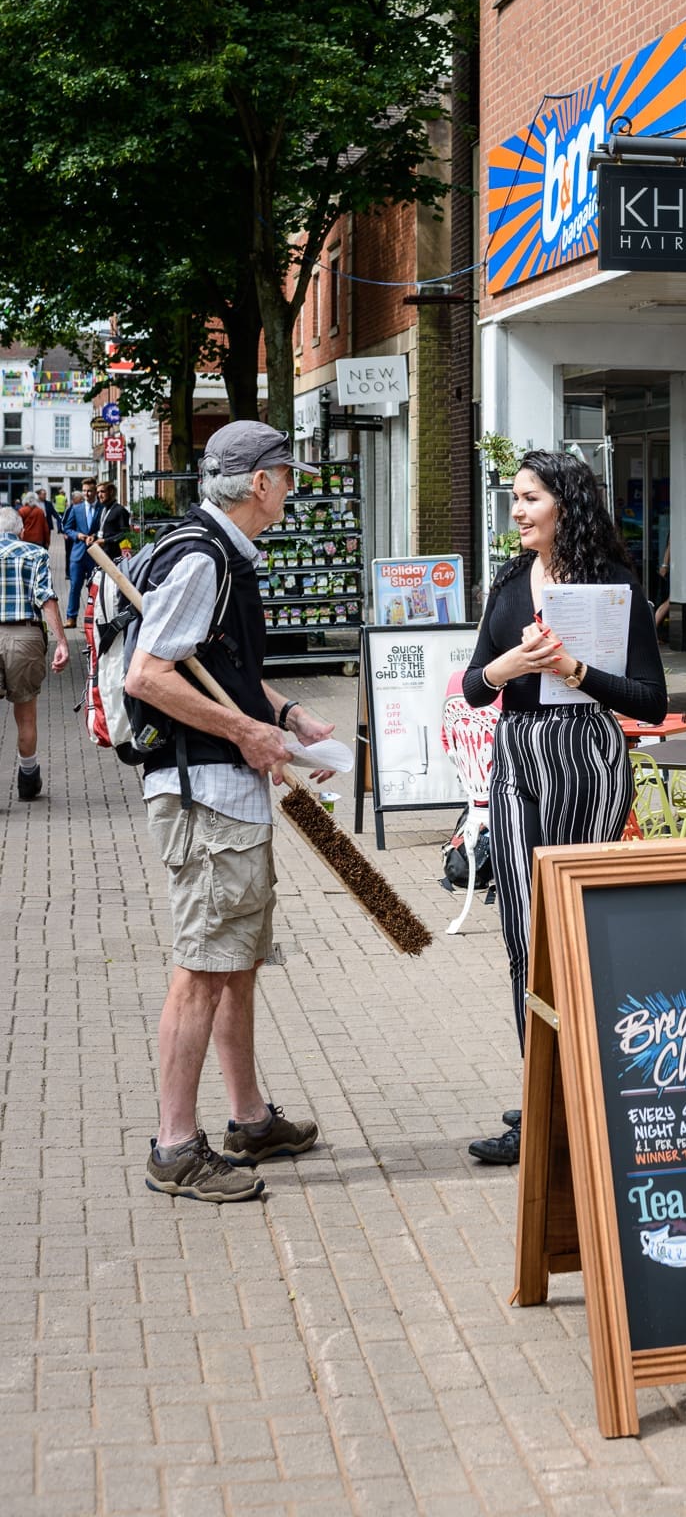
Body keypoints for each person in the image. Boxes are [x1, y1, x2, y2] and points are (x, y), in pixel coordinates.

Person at [124, 420, 336, 1204]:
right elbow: (150, 675)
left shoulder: (217, 553)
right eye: (287, 474)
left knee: (237, 959)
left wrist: (283, 717)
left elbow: (218, 668)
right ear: (259, 483)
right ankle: (175, 1147)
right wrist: (245, 732)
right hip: (203, 792)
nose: (291, 486)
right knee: (205, 966)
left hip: (225, 789)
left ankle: (249, 1119)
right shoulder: (204, 560)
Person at [462, 449, 667, 1164]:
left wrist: (576, 671)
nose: (517, 511)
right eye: (514, 499)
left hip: (585, 754)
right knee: (524, 934)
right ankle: (544, 1107)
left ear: (565, 505)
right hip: (517, 752)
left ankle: (593, 1099)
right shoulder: (512, 581)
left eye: (529, 499)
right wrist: (505, 667)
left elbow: (651, 699)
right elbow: (471, 686)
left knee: (574, 934)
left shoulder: (611, 585)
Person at [0, 505, 70, 799]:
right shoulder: (34, 553)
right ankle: (28, 778)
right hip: (24, 635)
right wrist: (62, 642)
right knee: (25, 714)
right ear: (21, 530)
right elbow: (47, 599)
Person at [62, 476, 102, 625]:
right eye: (84, 491)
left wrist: (95, 536)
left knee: (95, 589)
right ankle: (71, 618)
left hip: (96, 554)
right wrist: (77, 535)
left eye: (90, 491)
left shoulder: (102, 509)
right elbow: (67, 528)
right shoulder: (76, 508)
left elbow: (104, 529)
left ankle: (93, 619)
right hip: (78, 555)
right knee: (74, 588)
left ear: (95, 491)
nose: (87, 494)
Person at [95, 480, 134, 555]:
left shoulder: (120, 510)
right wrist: (93, 536)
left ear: (111, 492)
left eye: (102, 492)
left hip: (114, 556)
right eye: (98, 492)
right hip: (102, 553)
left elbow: (125, 534)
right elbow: (105, 530)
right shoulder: (103, 510)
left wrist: (105, 541)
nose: (99, 495)